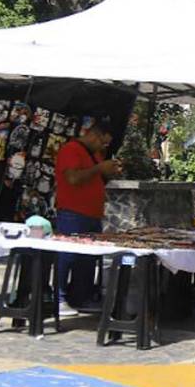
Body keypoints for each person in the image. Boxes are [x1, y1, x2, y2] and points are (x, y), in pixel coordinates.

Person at [53, 119, 121, 317]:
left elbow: (94, 178)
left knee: (88, 258)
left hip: (92, 213)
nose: (104, 147)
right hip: (73, 212)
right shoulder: (71, 150)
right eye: (104, 142)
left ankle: (81, 297)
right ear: (93, 135)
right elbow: (73, 178)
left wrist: (108, 172)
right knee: (68, 255)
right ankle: (59, 296)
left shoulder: (96, 154)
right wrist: (100, 169)